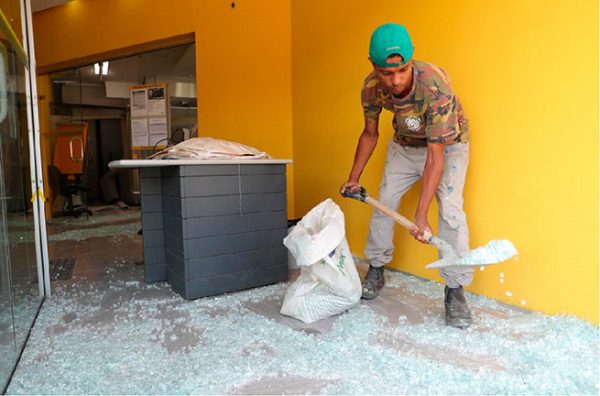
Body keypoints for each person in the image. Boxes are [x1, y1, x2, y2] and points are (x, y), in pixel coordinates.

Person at [340, 23, 473, 329]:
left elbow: (435, 156)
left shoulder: (435, 86)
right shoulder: (371, 87)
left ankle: (455, 289)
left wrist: (421, 215)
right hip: (404, 145)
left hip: (448, 146)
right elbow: (370, 133)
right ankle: (376, 267)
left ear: (411, 60)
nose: (396, 80)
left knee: (451, 210)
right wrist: (353, 176)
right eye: (387, 73)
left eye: (402, 70)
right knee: (384, 201)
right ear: (374, 66)